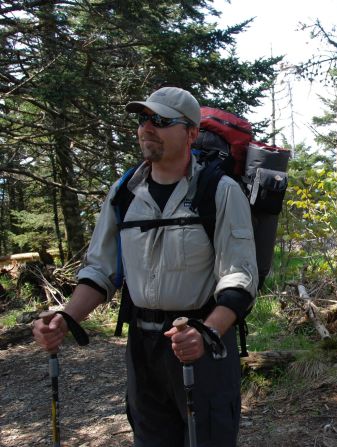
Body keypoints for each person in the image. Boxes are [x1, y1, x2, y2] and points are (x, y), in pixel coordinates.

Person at [33, 86, 258, 447]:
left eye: (161, 120)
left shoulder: (219, 190)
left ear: (190, 133)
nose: (147, 127)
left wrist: (205, 334)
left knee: (210, 438)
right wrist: (66, 317)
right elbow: (101, 269)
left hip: (202, 343)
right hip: (143, 347)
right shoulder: (124, 192)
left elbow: (240, 276)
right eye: (143, 119)